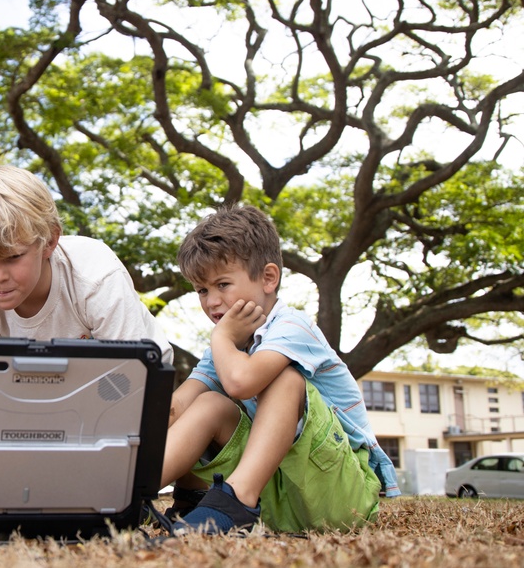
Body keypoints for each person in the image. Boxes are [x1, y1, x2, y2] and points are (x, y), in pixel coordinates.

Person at [162, 204, 399, 535]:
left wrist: (221, 337)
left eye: (223, 285)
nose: (211, 301)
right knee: (208, 405)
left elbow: (242, 382)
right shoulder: (226, 346)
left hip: (340, 494)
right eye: (202, 290)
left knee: (284, 376)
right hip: (278, 494)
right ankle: (125, 498)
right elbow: (175, 408)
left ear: (268, 278)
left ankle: (237, 500)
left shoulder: (291, 326)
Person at [0, 164, 173, 364]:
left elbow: (130, 375)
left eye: (13, 257)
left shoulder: (94, 275)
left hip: (131, 382)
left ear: (49, 241)